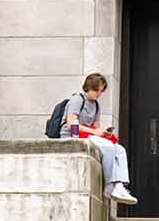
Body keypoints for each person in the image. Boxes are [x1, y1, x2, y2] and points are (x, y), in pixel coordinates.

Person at [47, 73, 137, 204]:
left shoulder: (96, 106)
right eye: (96, 90)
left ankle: (119, 185)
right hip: (73, 135)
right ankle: (110, 185)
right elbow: (71, 123)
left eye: (101, 91)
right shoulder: (77, 99)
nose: (98, 94)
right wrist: (94, 132)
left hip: (89, 135)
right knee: (109, 148)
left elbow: (96, 128)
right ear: (88, 87)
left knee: (120, 150)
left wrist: (103, 133)